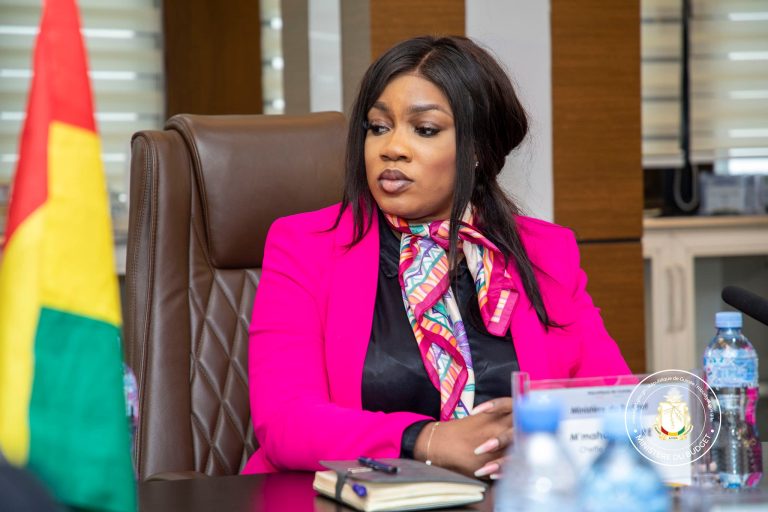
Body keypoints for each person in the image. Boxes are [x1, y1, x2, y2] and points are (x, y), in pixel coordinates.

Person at [242, 35, 630, 479]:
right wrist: (426, 440)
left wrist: (540, 436)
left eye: (424, 130)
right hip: (352, 498)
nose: (392, 148)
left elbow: (610, 401)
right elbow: (286, 421)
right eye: (378, 127)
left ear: (478, 149)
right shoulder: (305, 246)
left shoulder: (544, 253)